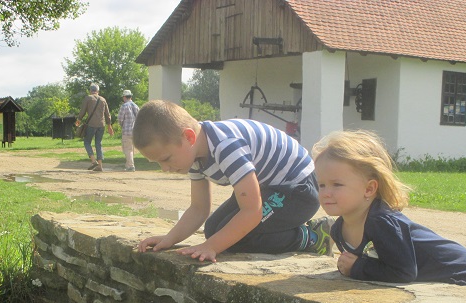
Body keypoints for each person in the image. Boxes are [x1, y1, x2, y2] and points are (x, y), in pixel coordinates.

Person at [132, 99, 334, 263]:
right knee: (214, 230)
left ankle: (313, 237)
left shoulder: (225, 147)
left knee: (238, 238)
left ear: (188, 137)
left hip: (299, 190)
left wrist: (211, 247)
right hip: (269, 188)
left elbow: (252, 211)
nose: (165, 169)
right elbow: (198, 209)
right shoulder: (194, 155)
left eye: (166, 159)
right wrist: (169, 240)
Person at [312, 130, 466, 286]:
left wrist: (357, 268)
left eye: (336, 185)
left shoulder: (382, 222)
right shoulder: (338, 230)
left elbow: (403, 272)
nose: (326, 193)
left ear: (369, 189)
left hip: (458, 271)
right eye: (322, 185)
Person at [77, 83, 114, 172]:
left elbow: (83, 111)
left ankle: (93, 161)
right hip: (101, 125)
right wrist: (109, 126)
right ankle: (100, 166)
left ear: (90, 90)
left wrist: (78, 120)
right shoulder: (103, 100)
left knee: (87, 142)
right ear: (98, 91)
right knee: (98, 143)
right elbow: (108, 114)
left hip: (91, 124)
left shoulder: (88, 98)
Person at [117, 89, 139, 172]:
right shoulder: (136, 106)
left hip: (126, 130)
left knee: (127, 149)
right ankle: (128, 164)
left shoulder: (124, 106)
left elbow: (120, 118)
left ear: (124, 97)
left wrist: (122, 124)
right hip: (135, 130)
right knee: (131, 148)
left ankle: (130, 166)